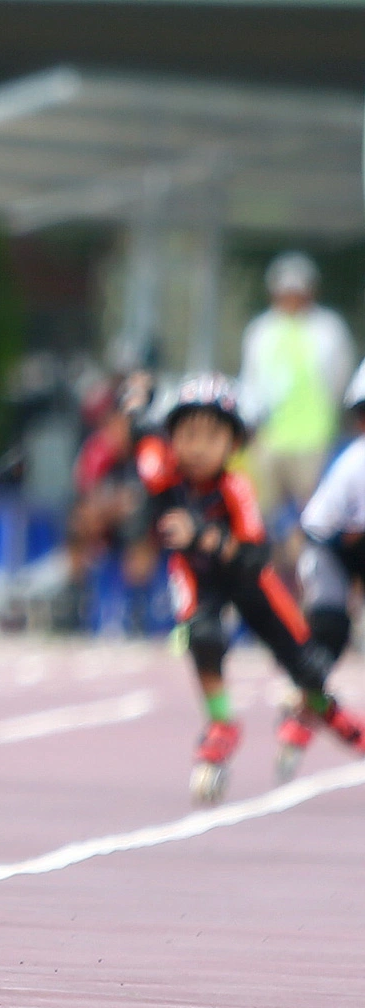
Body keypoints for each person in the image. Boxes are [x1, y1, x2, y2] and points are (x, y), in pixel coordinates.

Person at [136, 373, 365, 803]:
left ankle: (338, 721)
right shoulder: (166, 476)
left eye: (210, 436)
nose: (197, 446)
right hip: (197, 579)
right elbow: (144, 441)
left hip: (249, 583)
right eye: (187, 434)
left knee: (309, 667)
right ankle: (221, 722)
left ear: (234, 444)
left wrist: (204, 534)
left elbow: (253, 555)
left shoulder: (236, 488)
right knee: (202, 636)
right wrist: (139, 401)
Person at [277, 359, 365, 778]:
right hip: (330, 548)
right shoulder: (356, 465)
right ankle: (300, 717)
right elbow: (328, 532)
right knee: (330, 631)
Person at [239, 252, 354, 527]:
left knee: (311, 510)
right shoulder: (261, 330)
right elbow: (250, 381)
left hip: (313, 438)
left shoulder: (329, 329)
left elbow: (340, 377)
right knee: (266, 512)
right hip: (270, 437)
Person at [58, 370, 157, 634]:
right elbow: (88, 497)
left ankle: (136, 610)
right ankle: (75, 603)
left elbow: (155, 496)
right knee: (79, 524)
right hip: (108, 521)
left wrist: (128, 506)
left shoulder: (150, 449)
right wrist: (108, 509)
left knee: (141, 530)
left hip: (143, 523)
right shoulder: (98, 451)